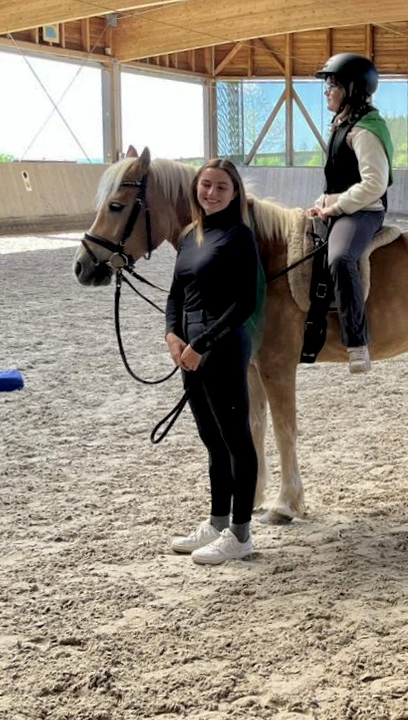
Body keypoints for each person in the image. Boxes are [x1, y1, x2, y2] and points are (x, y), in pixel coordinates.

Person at [165, 158, 261, 565]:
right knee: (212, 440)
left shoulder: (240, 236)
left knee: (236, 440)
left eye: (221, 186)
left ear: (235, 193)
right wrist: (172, 335)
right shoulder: (190, 236)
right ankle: (217, 521)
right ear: (196, 189)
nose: (211, 193)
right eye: (206, 185)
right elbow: (176, 294)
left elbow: (245, 302)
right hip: (189, 349)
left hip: (222, 346)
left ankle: (240, 534)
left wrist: (202, 343)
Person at [307, 53, 393, 374]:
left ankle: (357, 342)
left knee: (341, 258)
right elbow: (337, 179)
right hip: (340, 206)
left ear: (353, 89)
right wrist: (321, 202)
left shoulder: (366, 129)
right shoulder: (343, 124)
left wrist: (336, 207)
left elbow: (374, 183)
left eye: (333, 84)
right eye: (327, 84)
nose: (327, 90)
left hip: (364, 211)